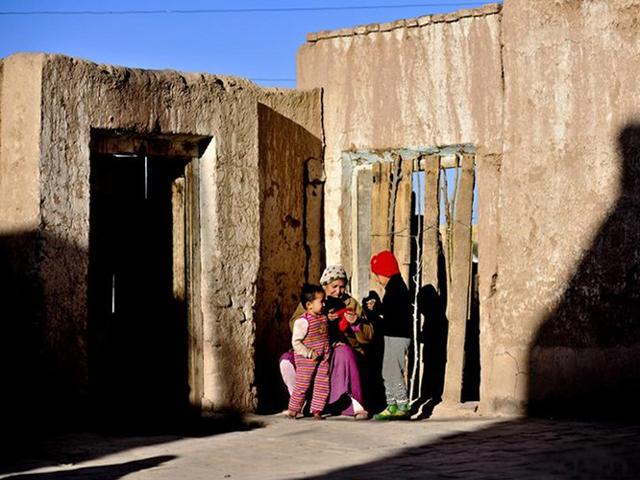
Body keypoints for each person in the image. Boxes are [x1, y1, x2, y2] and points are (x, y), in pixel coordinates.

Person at [279, 265, 373, 420]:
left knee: (344, 353)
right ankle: (300, 403)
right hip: (313, 349)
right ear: (324, 286)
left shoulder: (351, 304)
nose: (338, 291)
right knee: (286, 359)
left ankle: (355, 404)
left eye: (342, 287)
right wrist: (319, 321)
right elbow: (295, 325)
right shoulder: (314, 300)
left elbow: (368, 336)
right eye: (334, 286)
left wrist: (356, 323)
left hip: (336, 353)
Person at [370, 250, 413, 420]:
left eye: (378, 274)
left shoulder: (397, 288)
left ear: (386, 272)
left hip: (398, 335)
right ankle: (391, 404)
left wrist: (377, 309)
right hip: (391, 334)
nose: (377, 279)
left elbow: (393, 312)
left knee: (394, 370)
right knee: (387, 371)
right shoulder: (394, 287)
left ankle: (402, 405)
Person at [284, 284, 331, 420]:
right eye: (321, 302)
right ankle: (293, 409)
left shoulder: (323, 318)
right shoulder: (302, 322)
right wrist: (309, 353)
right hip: (307, 360)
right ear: (309, 305)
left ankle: (317, 410)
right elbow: (296, 342)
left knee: (322, 383)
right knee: (303, 384)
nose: (324, 305)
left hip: (323, 358)